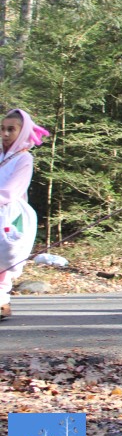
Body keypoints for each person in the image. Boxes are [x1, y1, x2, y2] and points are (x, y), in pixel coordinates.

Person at [0, 109, 48, 320]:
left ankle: (1, 302)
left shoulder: (24, 158)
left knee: (3, 257)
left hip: (10, 214)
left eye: (11, 129)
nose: (5, 133)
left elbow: (11, 190)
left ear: (22, 132)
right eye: (2, 129)